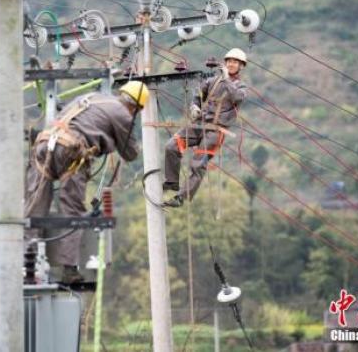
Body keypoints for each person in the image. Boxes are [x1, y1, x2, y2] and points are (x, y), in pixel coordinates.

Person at [25, 81, 148, 283]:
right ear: (136, 108)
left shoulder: (92, 98)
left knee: (33, 209)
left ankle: (25, 263)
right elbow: (130, 153)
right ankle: (69, 269)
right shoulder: (123, 114)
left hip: (44, 144)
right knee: (72, 211)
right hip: (71, 152)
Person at [163, 48, 248, 207]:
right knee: (171, 146)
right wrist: (194, 107)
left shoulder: (240, 86)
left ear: (241, 66)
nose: (231, 64)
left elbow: (236, 97)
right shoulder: (211, 81)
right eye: (229, 61)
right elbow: (198, 96)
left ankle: (181, 197)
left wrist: (226, 79)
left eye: (235, 62)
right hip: (199, 124)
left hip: (215, 132)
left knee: (198, 164)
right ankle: (171, 181)